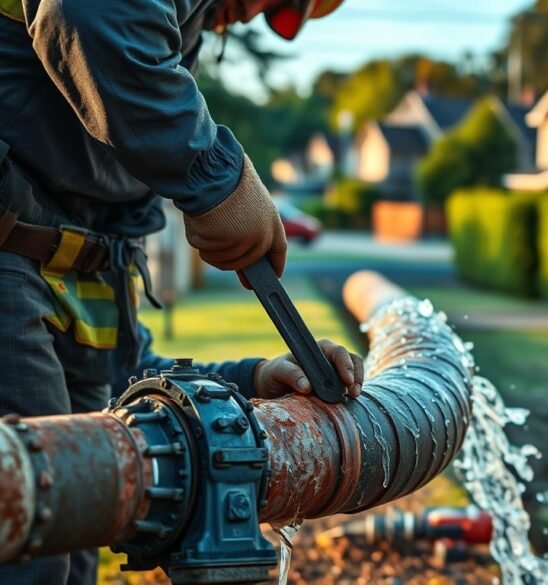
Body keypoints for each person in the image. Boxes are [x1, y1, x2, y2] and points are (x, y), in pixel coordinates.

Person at [0, 1, 353, 583]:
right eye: (283, 4)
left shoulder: (89, 225)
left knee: (77, 525)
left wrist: (256, 379)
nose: (251, 20)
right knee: (34, 539)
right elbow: (88, 13)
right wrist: (212, 178)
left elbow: (124, 381)